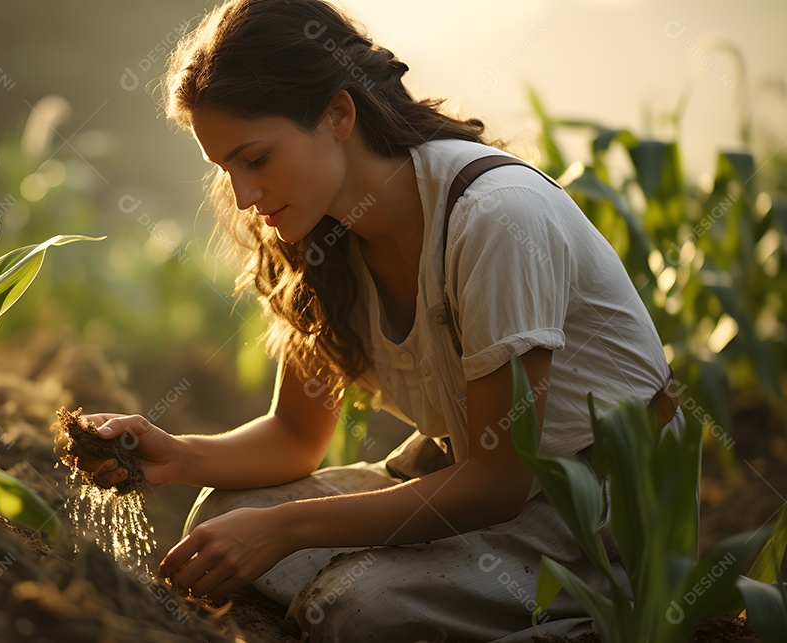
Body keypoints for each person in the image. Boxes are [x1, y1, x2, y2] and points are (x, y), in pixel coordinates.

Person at [79, 0, 683, 640]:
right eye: (226, 169)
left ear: (340, 114)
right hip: (452, 471)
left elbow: (501, 481)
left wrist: (288, 528)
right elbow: (293, 436)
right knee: (220, 523)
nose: (245, 198)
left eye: (256, 159)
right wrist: (176, 456)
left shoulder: (496, 218)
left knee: (354, 608)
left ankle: (594, 619)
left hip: (597, 504)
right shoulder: (322, 240)